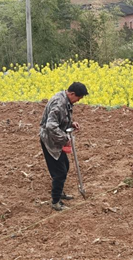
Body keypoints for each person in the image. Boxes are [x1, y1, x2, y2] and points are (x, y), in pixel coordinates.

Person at [39, 82, 89, 211]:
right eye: (78, 98)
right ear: (72, 94)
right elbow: (51, 126)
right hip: (50, 140)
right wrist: (65, 138)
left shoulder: (65, 100)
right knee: (60, 172)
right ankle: (56, 201)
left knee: (65, 166)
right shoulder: (59, 103)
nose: (78, 101)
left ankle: (59, 192)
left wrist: (70, 123)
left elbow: (60, 118)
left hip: (56, 138)